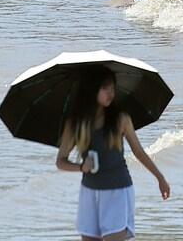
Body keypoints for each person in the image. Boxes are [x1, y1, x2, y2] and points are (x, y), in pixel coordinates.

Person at [56, 67, 171, 241]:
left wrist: (160, 178)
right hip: (89, 192)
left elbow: (138, 152)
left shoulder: (121, 119)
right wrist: (81, 167)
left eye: (112, 88)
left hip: (117, 190)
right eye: (105, 88)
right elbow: (60, 161)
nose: (110, 93)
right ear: (92, 89)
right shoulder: (75, 123)